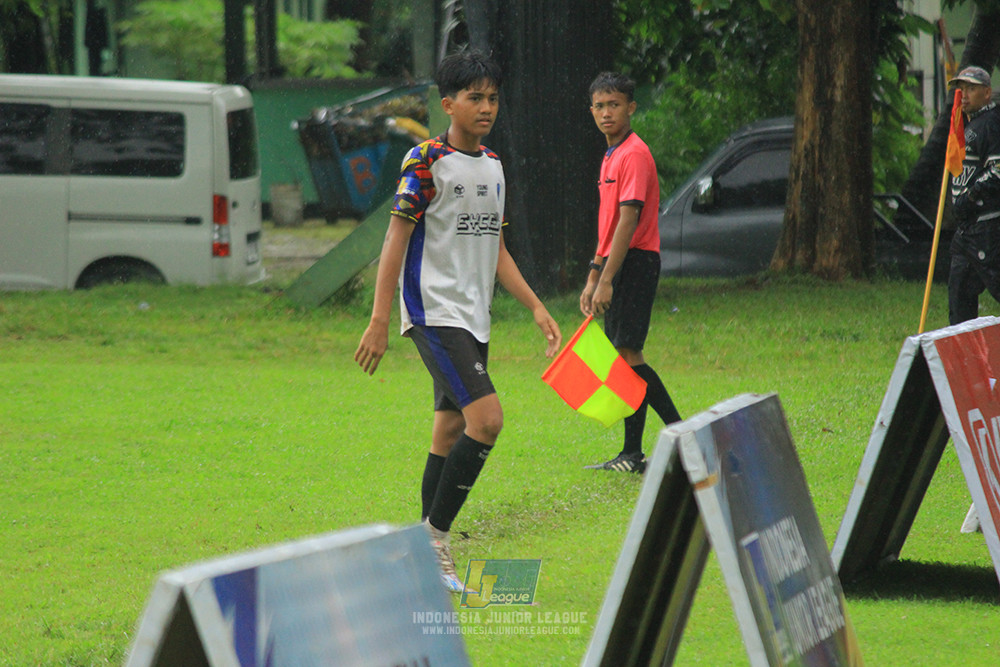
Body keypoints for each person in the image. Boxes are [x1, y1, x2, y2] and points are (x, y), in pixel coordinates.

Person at [354, 50, 562, 593]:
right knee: (487, 420)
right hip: (434, 312)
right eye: (475, 98)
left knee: (449, 430)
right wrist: (380, 319)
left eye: (492, 98)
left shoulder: (493, 167)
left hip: (474, 318)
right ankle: (434, 540)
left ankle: (424, 557)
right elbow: (395, 238)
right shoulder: (425, 160)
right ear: (448, 104)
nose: (486, 107)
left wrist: (535, 306)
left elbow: (496, 250)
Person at [580, 72, 681, 473]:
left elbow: (628, 219)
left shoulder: (634, 154)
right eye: (599, 106)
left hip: (636, 261)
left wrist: (606, 279)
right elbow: (608, 224)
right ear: (591, 111)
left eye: (614, 105)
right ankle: (632, 454)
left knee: (628, 355)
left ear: (631, 108)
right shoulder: (611, 154)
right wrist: (594, 274)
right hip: (616, 262)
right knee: (623, 358)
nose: (607, 113)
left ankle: (684, 437)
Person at [948, 65, 1000, 326]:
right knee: (959, 297)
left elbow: (998, 169)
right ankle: (961, 349)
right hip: (965, 232)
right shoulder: (967, 126)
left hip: (987, 228)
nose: (964, 95)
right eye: (961, 89)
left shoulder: (991, 124)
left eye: (971, 88)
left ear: (987, 93)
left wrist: (971, 196)